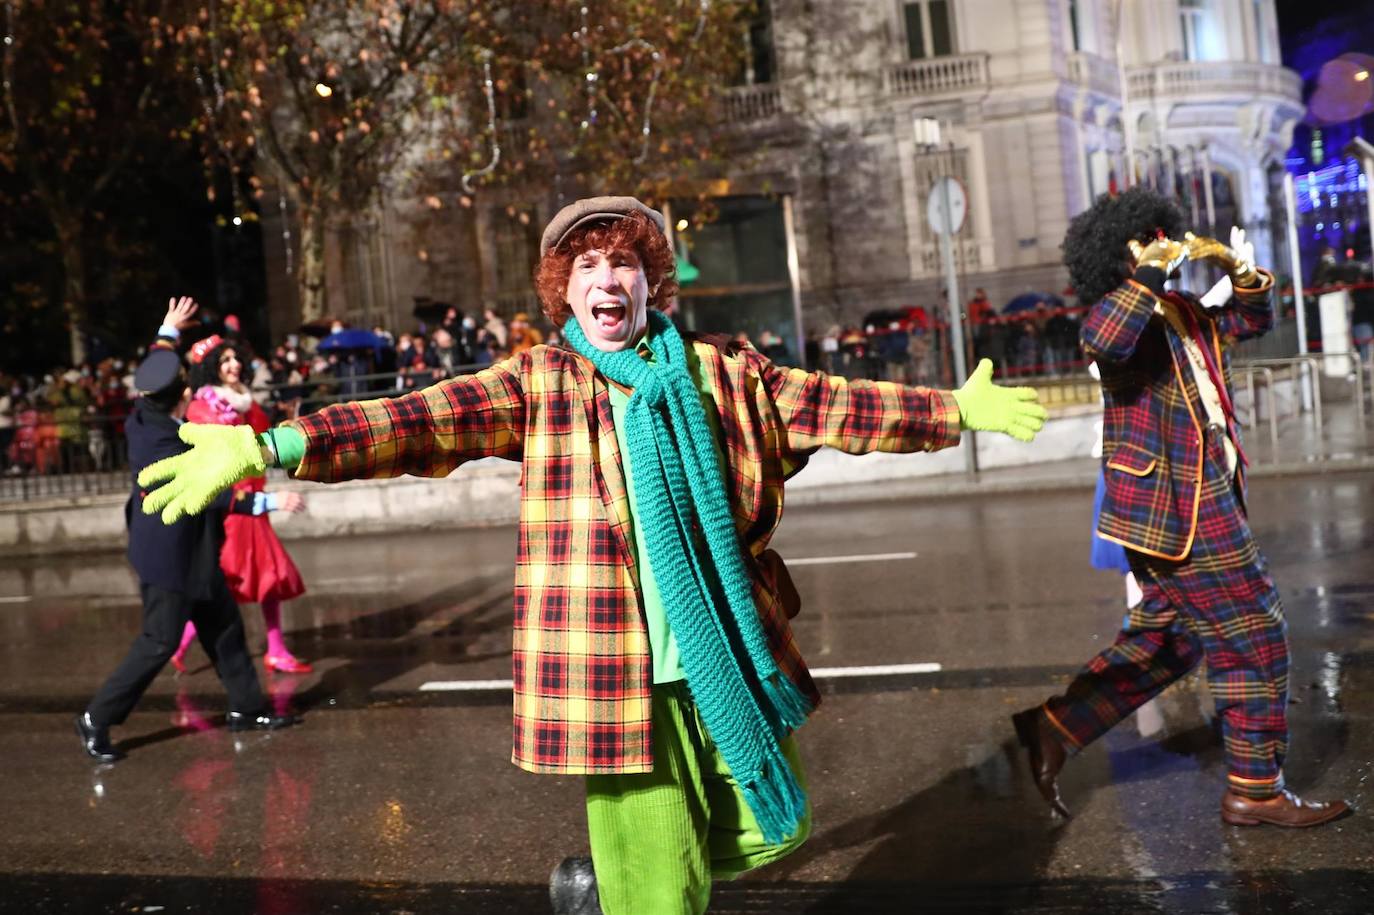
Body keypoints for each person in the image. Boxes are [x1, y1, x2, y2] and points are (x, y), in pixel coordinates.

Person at [136, 197, 1047, 914]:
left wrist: (953, 412)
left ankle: (602, 889)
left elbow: (837, 405)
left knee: (778, 821)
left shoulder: (718, 376)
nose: (607, 278)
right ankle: (630, 890)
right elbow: (416, 416)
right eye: (587, 264)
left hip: (720, 658)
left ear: (653, 282)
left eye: (624, 262)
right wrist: (272, 447)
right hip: (613, 674)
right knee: (661, 886)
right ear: (563, 289)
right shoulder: (540, 381)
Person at [1012, 186, 1350, 828]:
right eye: (1150, 240)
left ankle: (1056, 726)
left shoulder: (1182, 311)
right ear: (1124, 256)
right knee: (1256, 633)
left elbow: (1253, 320)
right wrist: (1146, 274)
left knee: (1168, 641)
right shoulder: (1120, 317)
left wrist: (1243, 274)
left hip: (1199, 500)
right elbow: (1104, 339)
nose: (1167, 243)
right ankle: (1255, 789)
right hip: (1179, 506)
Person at [75, 297, 299, 763]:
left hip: (193, 548)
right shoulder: (168, 440)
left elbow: (153, 369)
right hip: (168, 555)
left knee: (224, 628)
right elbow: (214, 489)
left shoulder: (144, 416)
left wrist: (168, 329)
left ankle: (247, 708)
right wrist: (266, 501)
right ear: (179, 394)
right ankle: (96, 718)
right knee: (158, 641)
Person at [168, 333, 311, 675]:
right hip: (234, 501)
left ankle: (184, 642)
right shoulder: (203, 406)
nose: (233, 366)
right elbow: (222, 453)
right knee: (246, 577)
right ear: (211, 369)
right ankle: (183, 640)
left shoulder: (245, 400)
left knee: (256, 577)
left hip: (252, 494)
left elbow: (260, 442)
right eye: (224, 361)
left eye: (235, 359)